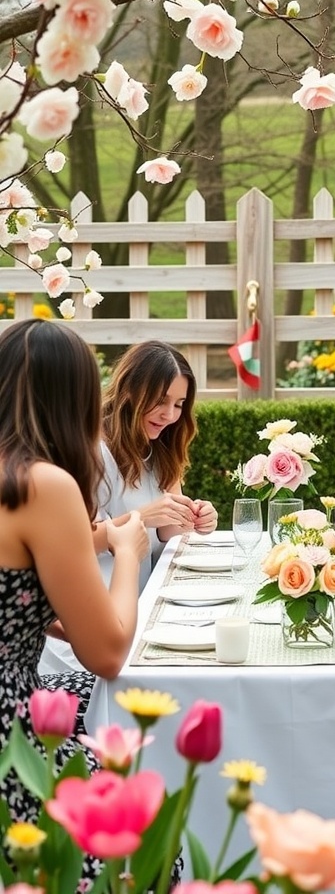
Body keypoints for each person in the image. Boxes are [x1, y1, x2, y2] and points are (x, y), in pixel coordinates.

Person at [0, 319, 149, 829]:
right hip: (13, 732)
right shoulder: (40, 484)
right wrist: (126, 551)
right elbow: (108, 653)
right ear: (76, 400)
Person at [40, 339, 218, 674]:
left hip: (134, 614)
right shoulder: (91, 449)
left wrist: (195, 516)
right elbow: (70, 541)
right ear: (130, 390)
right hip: (85, 627)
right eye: (161, 400)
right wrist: (141, 517)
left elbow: (170, 530)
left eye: (179, 404)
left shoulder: (159, 447)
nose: (170, 414)